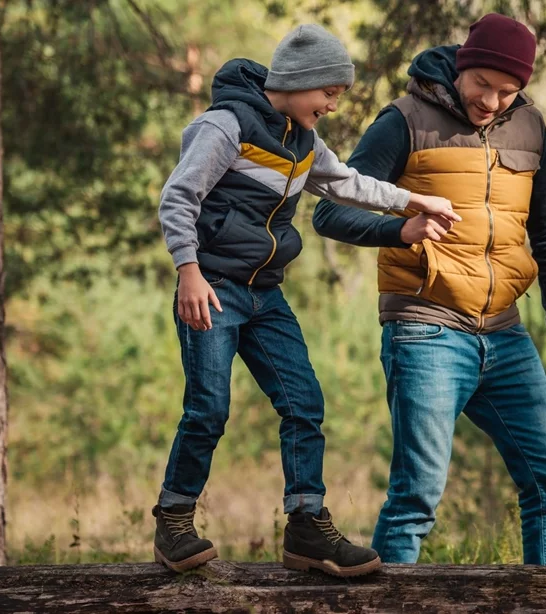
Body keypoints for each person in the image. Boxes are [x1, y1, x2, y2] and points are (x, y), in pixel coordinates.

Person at [153, 23, 459, 576]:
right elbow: (179, 196)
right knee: (208, 409)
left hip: (264, 295)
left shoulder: (302, 141)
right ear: (300, 81)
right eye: (330, 93)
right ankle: (174, 519)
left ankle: (305, 526)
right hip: (213, 291)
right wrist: (189, 271)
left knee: (303, 403)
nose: (334, 105)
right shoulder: (228, 126)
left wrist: (415, 200)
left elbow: (349, 183)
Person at [313, 13, 546, 568]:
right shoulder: (405, 120)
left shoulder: (530, 127)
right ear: (463, 64)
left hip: (506, 336)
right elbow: (330, 213)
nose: (492, 101)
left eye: (508, 92)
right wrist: (399, 226)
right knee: (416, 499)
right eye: (483, 83)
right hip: (425, 330)